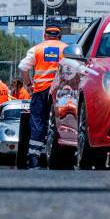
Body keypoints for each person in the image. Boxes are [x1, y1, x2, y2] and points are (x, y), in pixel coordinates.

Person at [19, 26, 67, 169]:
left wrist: (28, 84)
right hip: (60, 93)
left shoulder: (37, 49)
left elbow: (23, 67)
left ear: (44, 35)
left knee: (38, 123)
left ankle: (34, 158)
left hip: (41, 91)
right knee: (61, 123)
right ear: (60, 36)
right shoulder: (66, 49)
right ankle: (60, 157)